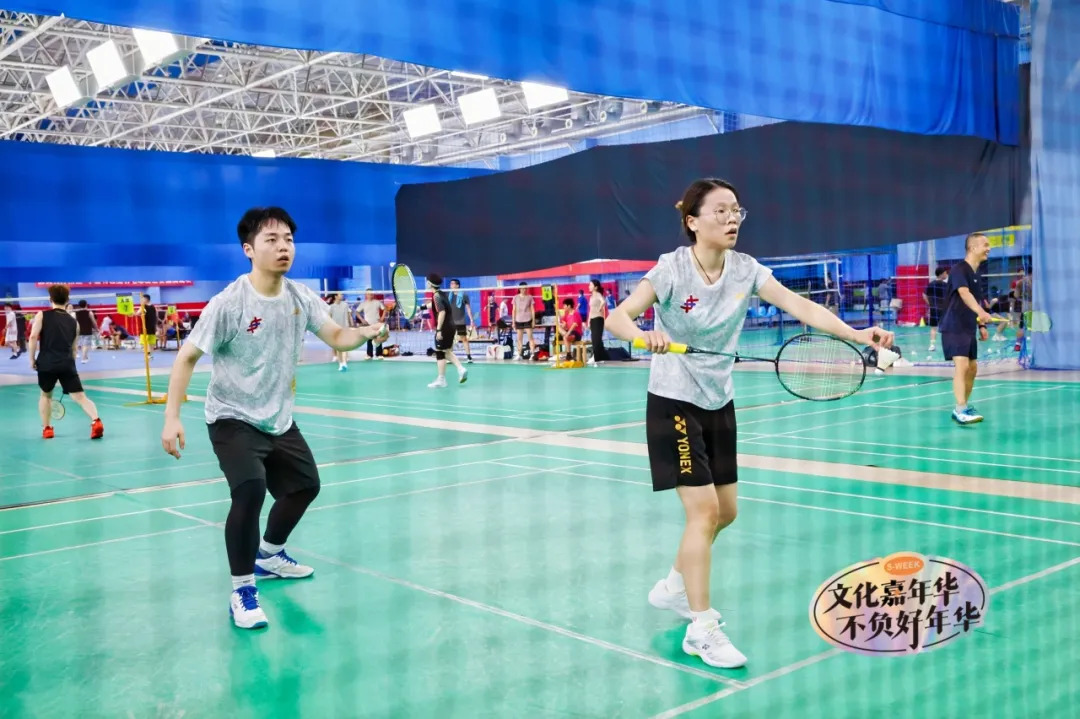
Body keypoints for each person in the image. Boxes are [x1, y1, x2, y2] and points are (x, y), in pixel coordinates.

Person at [604, 178, 893, 669]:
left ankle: (674, 586)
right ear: (693, 221)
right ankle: (701, 628)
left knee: (727, 512)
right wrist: (640, 335)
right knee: (702, 513)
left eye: (736, 210)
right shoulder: (672, 269)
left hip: (719, 400)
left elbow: (801, 306)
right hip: (673, 401)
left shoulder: (746, 270)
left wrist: (857, 333)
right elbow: (618, 317)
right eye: (720, 211)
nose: (731, 218)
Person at [159, 207, 390, 630]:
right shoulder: (229, 303)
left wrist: (364, 333)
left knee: (305, 486)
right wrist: (172, 417)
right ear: (248, 249)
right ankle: (242, 590)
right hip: (231, 415)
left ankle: (268, 555)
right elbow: (187, 357)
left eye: (288, 239)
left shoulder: (300, 297)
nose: (284, 246)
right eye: (271, 239)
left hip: (278, 417)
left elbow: (337, 336)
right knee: (250, 490)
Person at [28, 284, 105, 440]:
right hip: (67, 363)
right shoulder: (74, 322)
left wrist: (32, 359)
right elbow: (74, 349)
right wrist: (69, 369)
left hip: (47, 362)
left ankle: (47, 429)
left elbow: (33, 336)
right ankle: (96, 421)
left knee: (45, 396)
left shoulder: (42, 315)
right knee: (80, 397)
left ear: (50, 299)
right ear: (67, 300)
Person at [938, 233, 994, 425]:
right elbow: (964, 293)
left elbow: (975, 300)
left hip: (968, 326)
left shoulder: (976, 274)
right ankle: (961, 408)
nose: (989, 248)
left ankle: (963, 407)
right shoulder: (959, 269)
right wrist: (981, 312)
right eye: (985, 245)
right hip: (954, 324)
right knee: (962, 366)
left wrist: (981, 325)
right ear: (972, 248)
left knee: (972, 368)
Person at [426, 274, 467, 387]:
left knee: (440, 352)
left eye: (427, 281)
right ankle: (461, 369)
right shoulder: (441, 294)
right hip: (451, 326)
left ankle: (441, 380)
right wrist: (421, 308)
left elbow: (442, 312)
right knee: (446, 351)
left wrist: (439, 330)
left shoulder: (436, 296)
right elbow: (434, 305)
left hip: (444, 328)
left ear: (429, 284)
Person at [922, 266, 948, 353]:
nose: (946, 274)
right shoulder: (946, 285)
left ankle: (932, 345)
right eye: (945, 273)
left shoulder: (931, 284)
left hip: (934, 309)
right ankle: (947, 345)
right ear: (941, 274)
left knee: (933, 328)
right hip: (944, 309)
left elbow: (924, 295)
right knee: (946, 328)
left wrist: (930, 304)